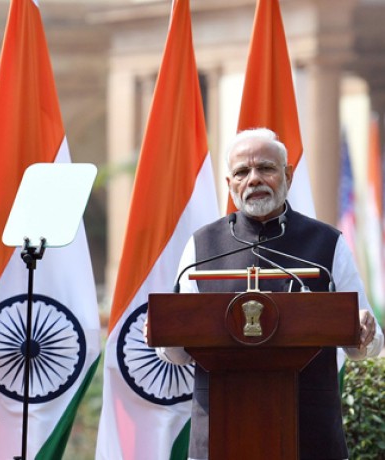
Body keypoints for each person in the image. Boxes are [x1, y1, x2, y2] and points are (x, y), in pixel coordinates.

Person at [156, 127, 383, 459]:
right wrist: (164, 335)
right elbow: (177, 353)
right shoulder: (202, 246)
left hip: (308, 432)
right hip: (220, 433)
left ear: (287, 175)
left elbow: (367, 345)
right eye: (242, 172)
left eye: (265, 168)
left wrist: (365, 333)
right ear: (229, 183)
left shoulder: (327, 243)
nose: (254, 179)